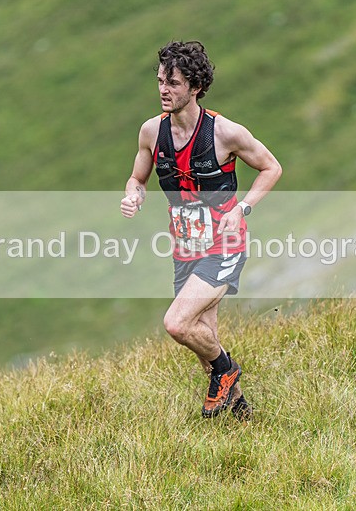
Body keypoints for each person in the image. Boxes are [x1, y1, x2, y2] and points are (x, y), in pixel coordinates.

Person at [120, 41, 282, 419]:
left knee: (177, 323)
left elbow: (271, 167)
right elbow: (137, 178)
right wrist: (134, 195)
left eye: (173, 83)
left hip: (225, 244)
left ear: (195, 87)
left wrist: (242, 209)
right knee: (201, 331)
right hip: (184, 247)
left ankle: (226, 369)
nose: (163, 89)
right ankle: (240, 412)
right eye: (160, 80)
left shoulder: (225, 133)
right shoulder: (150, 132)